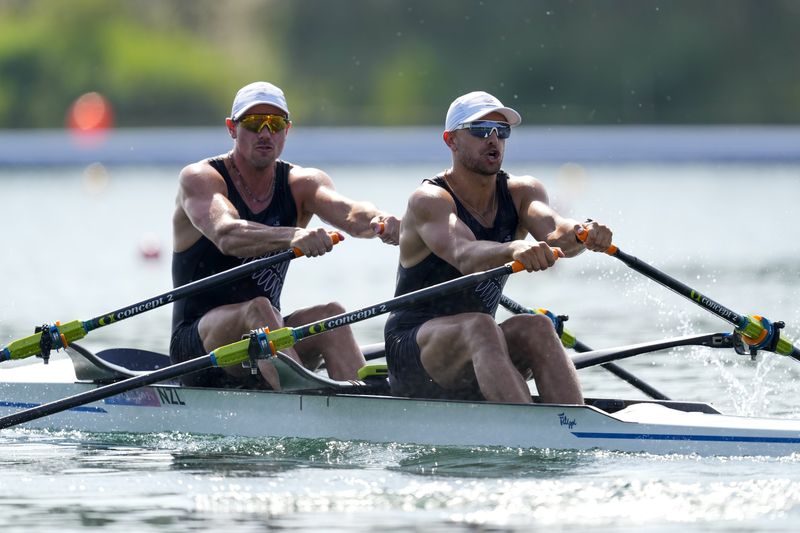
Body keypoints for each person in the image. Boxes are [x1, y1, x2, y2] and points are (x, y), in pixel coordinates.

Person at [384, 90, 613, 404]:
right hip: (414, 350)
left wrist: (582, 233)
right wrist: (512, 249)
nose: (493, 139)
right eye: (480, 131)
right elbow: (465, 253)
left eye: (501, 131)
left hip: (480, 349)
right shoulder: (430, 201)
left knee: (538, 327)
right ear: (450, 140)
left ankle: (572, 429)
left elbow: (555, 230)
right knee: (480, 326)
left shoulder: (522, 192)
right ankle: (530, 432)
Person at [171, 81, 400, 390]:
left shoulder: (301, 183)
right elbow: (227, 234)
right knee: (259, 307)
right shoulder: (201, 179)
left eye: (275, 124)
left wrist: (380, 220)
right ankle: (300, 397)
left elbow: (349, 212)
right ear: (231, 128)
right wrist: (291, 235)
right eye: (253, 123)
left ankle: (369, 411)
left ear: (287, 130)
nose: (265, 133)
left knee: (331, 317)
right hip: (198, 347)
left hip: (267, 341)